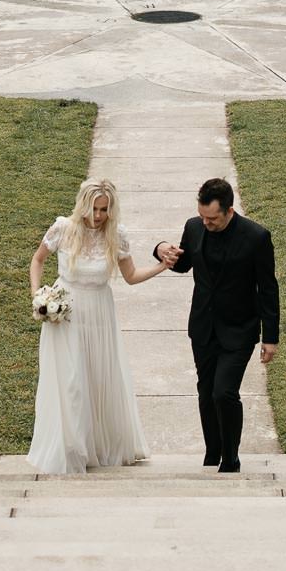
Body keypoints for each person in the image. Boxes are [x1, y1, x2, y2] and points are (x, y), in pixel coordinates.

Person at [27, 179, 176, 474]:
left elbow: (131, 275)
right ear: (83, 204)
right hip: (65, 315)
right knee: (71, 383)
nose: (98, 216)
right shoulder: (62, 228)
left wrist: (162, 267)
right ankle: (71, 447)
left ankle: (97, 446)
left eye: (104, 209)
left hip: (100, 314)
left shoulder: (116, 235)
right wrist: (38, 296)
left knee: (96, 377)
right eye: (93, 208)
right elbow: (37, 260)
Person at [151, 177, 279, 473]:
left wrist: (270, 337)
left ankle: (231, 458)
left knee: (224, 392)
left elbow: (268, 289)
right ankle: (213, 453)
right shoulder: (194, 227)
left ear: (229, 211)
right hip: (203, 326)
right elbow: (183, 263)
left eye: (212, 219)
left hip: (240, 329)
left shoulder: (256, 237)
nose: (206, 223)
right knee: (206, 392)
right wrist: (159, 248)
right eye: (202, 216)